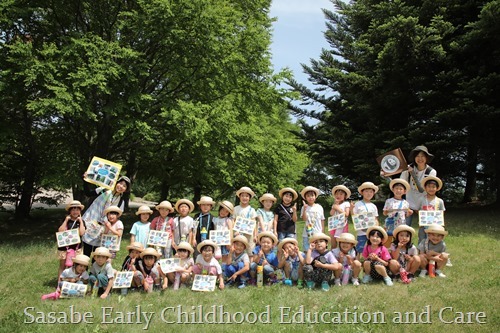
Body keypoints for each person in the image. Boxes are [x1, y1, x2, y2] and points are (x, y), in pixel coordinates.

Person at [81, 175, 131, 257]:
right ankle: (84, 269)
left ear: (126, 190)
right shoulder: (104, 189)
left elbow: (116, 217)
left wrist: (111, 228)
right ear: (116, 182)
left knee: (99, 253)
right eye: (120, 183)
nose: (121, 186)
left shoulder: (121, 201)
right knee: (86, 251)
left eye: (124, 186)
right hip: (91, 221)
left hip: (103, 228)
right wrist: (85, 180)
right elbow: (88, 193)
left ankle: (94, 270)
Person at [398, 145, 437, 227]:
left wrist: (413, 174)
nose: (420, 159)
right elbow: (400, 183)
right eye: (417, 156)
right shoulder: (408, 168)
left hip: (425, 202)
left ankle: (425, 240)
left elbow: (422, 190)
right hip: (408, 201)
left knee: (427, 227)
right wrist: (386, 175)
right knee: (404, 226)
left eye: (422, 156)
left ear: (426, 158)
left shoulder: (431, 172)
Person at [56, 200, 86, 279]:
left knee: (76, 265)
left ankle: (73, 281)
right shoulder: (65, 220)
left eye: (77, 209)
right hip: (64, 248)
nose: (75, 211)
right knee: (62, 265)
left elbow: (82, 233)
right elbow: (60, 231)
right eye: (73, 209)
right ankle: (60, 283)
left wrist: (81, 221)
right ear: (70, 211)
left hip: (77, 248)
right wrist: (66, 221)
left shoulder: (81, 221)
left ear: (80, 211)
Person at [382, 179, 413, 246]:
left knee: (398, 238)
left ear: (404, 191)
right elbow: (384, 213)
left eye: (400, 189)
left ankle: (397, 252)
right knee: (388, 238)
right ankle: (386, 253)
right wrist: (386, 212)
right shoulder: (388, 201)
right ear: (393, 190)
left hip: (400, 224)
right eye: (396, 188)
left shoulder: (406, 203)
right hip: (390, 224)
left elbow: (406, 215)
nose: (398, 191)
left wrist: (409, 213)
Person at [352, 182, 379, 254]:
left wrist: (377, 228)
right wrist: (351, 209)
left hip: (371, 230)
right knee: (360, 245)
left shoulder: (373, 206)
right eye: (366, 191)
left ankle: (369, 259)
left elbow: (376, 218)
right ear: (362, 192)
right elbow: (354, 216)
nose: (369, 193)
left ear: (373, 193)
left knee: (371, 245)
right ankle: (357, 260)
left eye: (371, 192)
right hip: (361, 230)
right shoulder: (358, 204)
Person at [418, 176, 446, 244]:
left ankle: (434, 252)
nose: (431, 189)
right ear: (425, 188)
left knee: (434, 240)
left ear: (437, 188)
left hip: (435, 225)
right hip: (423, 225)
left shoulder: (439, 201)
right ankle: (421, 253)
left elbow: (442, 212)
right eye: (429, 186)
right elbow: (419, 210)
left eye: (433, 187)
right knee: (422, 239)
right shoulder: (421, 199)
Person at [300, 186, 325, 251]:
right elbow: (304, 219)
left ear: (315, 197)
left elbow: (322, 219)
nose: (311, 197)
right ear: (305, 198)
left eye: (312, 195)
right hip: (307, 233)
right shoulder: (304, 207)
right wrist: (305, 209)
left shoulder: (319, 207)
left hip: (318, 232)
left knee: (318, 250)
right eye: (308, 196)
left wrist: (322, 231)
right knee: (307, 250)